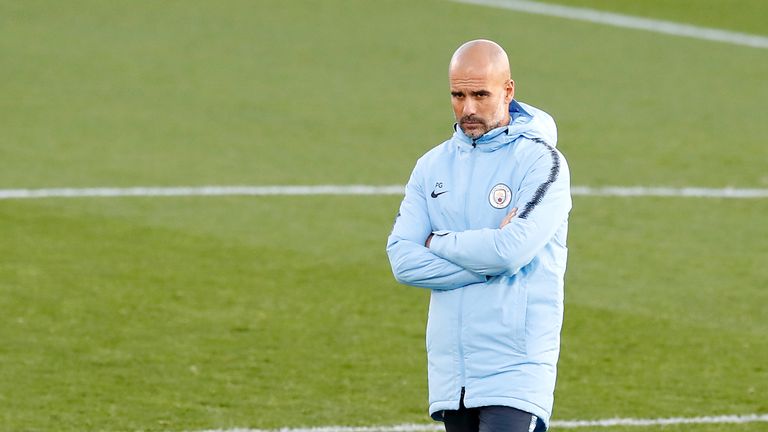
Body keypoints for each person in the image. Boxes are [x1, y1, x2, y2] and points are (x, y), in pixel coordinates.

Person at [386, 39, 571, 432]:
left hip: (516, 368)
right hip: (453, 370)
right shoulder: (431, 166)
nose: (468, 108)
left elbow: (509, 252)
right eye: (458, 95)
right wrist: (486, 262)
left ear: (508, 91)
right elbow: (402, 261)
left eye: (480, 94)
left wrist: (438, 242)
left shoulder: (541, 161)